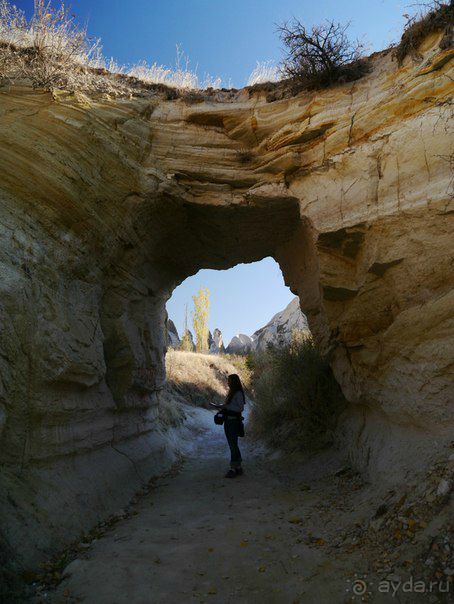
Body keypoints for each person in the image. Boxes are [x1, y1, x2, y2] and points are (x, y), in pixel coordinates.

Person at [222, 374, 245, 478]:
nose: (228, 382)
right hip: (229, 421)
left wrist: (227, 406)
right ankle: (238, 467)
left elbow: (240, 408)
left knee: (233, 445)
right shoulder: (232, 392)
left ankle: (233, 468)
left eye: (229, 381)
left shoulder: (238, 393)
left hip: (233, 422)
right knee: (233, 444)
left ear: (234, 382)